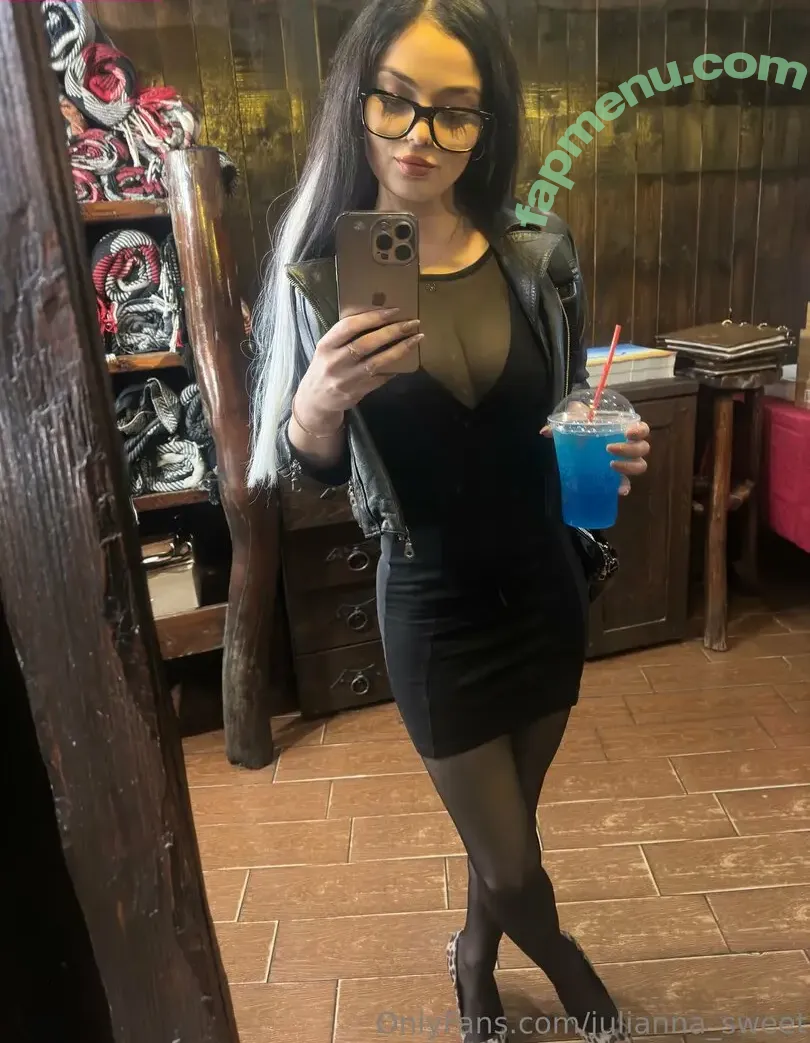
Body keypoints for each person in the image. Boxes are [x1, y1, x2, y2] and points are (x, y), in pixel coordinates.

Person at [247, 2, 650, 1041]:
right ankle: (575, 981)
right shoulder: (322, 278)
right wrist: (316, 405)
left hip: (547, 587)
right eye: (395, 101)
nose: (419, 135)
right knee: (511, 860)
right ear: (358, 104)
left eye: (454, 111)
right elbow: (306, 472)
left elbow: (567, 403)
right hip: (434, 609)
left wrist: (606, 434)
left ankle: (473, 957)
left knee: (507, 824)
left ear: (488, 123)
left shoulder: (535, 253)